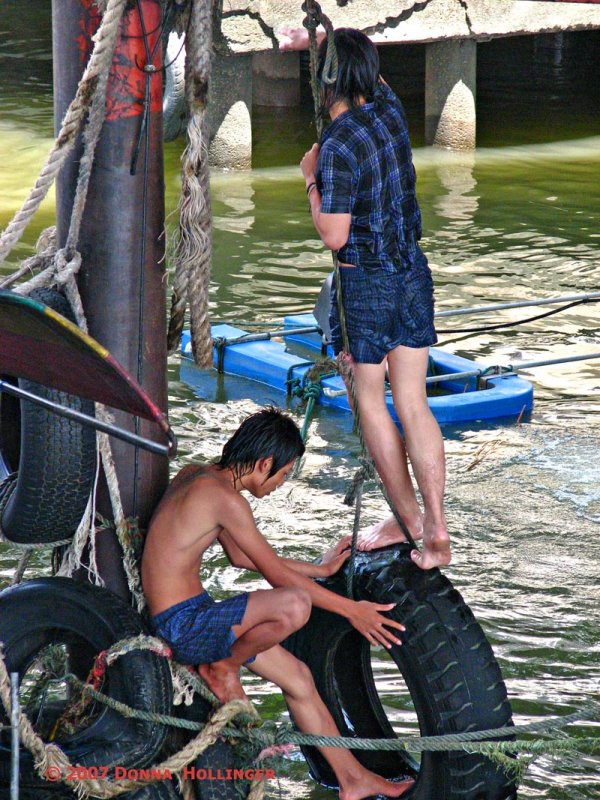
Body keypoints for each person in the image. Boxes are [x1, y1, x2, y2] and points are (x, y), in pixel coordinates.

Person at [141, 407, 413, 800]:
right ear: (265, 462)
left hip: (193, 615)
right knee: (295, 605)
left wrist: (320, 571)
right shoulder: (226, 501)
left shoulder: (198, 477)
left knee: (299, 678)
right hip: (184, 626)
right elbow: (276, 578)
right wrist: (353, 610)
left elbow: (242, 557)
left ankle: (352, 780)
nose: (280, 483)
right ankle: (223, 666)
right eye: (283, 474)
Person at [295, 27, 451, 569]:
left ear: (326, 81)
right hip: (412, 271)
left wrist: (311, 179)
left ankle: (409, 523)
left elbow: (335, 233)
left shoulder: (336, 147)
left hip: (367, 283)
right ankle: (438, 529)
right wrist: (322, 38)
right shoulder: (389, 108)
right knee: (414, 402)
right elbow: (371, 74)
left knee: (369, 399)